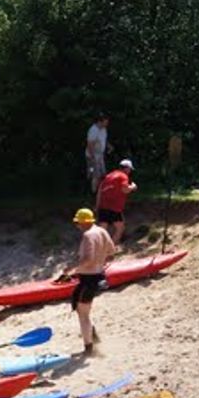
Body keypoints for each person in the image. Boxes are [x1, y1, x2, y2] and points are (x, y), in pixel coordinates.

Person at [60, 208, 115, 357]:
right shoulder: (102, 231)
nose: (77, 225)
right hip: (98, 276)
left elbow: (88, 260)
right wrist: (101, 263)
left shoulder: (88, 235)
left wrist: (70, 269)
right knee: (81, 309)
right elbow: (111, 251)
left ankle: (89, 348)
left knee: (83, 314)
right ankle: (93, 336)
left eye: (78, 222)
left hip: (88, 279)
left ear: (84, 222)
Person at [95, 159, 137, 244]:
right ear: (127, 168)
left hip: (103, 206)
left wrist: (97, 206)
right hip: (114, 207)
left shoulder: (108, 176)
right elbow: (125, 190)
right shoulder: (123, 176)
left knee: (102, 229)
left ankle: (99, 249)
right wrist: (133, 187)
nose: (129, 172)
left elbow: (99, 191)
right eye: (129, 170)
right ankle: (111, 250)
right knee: (120, 228)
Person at [84, 114, 112, 194]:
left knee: (102, 174)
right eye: (105, 122)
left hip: (100, 156)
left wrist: (109, 146)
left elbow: (103, 140)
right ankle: (93, 193)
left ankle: (99, 192)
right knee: (94, 174)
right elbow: (90, 144)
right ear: (100, 122)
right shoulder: (93, 130)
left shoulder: (103, 129)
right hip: (92, 156)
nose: (107, 124)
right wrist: (92, 157)